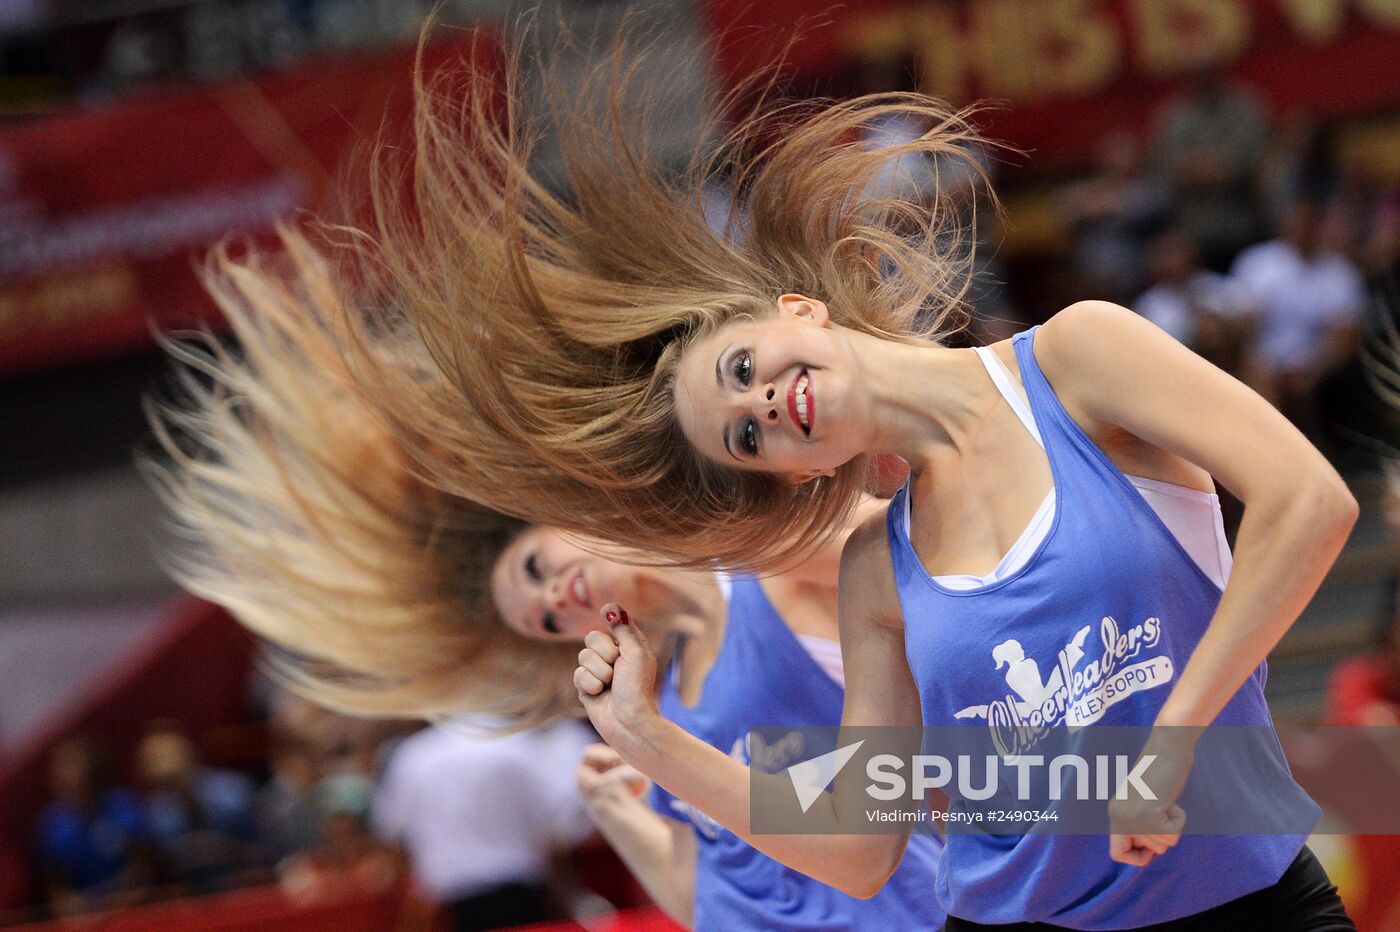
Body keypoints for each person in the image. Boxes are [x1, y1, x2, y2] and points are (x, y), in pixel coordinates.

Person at [238, 31, 1360, 929]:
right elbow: (861, 846)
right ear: (794, 470)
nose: (760, 405)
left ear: (793, 311)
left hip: (1252, 897)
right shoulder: (878, 561)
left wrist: (1174, 733)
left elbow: (1310, 501)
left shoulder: (1079, 354)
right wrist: (650, 744)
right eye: (743, 435)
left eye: (741, 373)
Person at [145, 220, 947, 930]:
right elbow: (719, 900)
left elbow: (889, 809)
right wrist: (625, 812)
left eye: (534, 568)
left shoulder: (768, 563)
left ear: (572, 519)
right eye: (543, 620)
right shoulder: (654, 710)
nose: (553, 600)